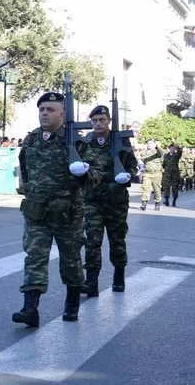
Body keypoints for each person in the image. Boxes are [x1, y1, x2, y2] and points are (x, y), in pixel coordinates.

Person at [12, 91, 87, 328]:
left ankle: (72, 305)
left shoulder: (76, 141)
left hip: (67, 213)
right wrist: (25, 187)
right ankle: (30, 309)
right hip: (36, 211)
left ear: (63, 114)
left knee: (71, 259)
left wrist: (83, 172)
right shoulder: (32, 139)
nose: (44, 113)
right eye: (42, 109)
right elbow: (24, 166)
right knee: (34, 257)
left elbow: (97, 176)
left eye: (50, 109)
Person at [78, 105, 138, 297]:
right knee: (92, 241)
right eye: (94, 120)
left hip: (116, 201)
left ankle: (118, 276)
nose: (97, 124)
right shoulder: (85, 142)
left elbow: (133, 166)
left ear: (109, 120)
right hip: (92, 200)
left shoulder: (120, 140)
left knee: (117, 239)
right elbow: (77, 167)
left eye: (101, 120)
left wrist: (127, 176)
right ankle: (91, 282)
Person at [136, 140, 163, 210]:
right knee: (145, 188)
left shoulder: (157, 151)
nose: (149, 145)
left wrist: (157, 146)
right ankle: (144, 204)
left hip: (157, 174)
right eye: (148, 143)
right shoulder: (143, 152)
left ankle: (157, 203)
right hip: (147, 173)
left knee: (157, 190)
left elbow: (161, 153)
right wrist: (140, 164)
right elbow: (139, 159)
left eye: (151, 143)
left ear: (154, 145)